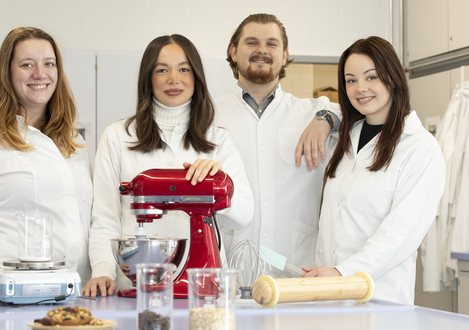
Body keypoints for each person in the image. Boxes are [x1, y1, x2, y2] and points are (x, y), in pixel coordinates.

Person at [83, 34, 253, 297]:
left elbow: (244, 216)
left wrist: (219, 184)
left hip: (204, 290)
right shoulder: (117, 136)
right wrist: (103, 271)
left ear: (196, 76)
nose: (174, 78)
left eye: (184, 69)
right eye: (162, 70)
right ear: (148, 78)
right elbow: (104, 220)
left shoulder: (217, 140)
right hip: (135, 288)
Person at [0, 27, 93, 294]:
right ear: (8, 72)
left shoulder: (74, 145)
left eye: (49, 63)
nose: (40, 73)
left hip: (67, 296)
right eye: (27, 64)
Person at [302, 36, 446, 305]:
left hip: (380, 299)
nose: (360, 88)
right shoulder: (345, 138)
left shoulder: (420, 148)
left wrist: (342, 273)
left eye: (371, 77)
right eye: (351, 80)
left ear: (392, 77)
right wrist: (325, 119)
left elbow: (400, 235)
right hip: (327, 295)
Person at [214, 13, 340, 274]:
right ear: (234, 52)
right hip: (228, 263)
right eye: (252, 42)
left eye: (272, 43)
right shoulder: (208, 115)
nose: (262, 50)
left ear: (284, 56)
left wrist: (326, 119)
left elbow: (361, 112)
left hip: (294, 265)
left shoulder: (313, 111)